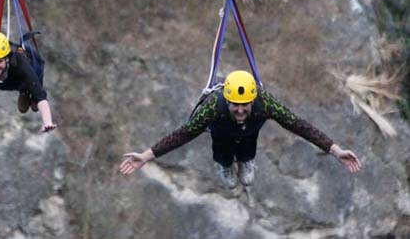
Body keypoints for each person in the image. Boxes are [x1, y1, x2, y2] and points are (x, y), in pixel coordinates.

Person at [119, 70, 362, 188]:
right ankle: (225, 165)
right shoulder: (214, 106)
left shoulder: (264, 103)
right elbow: (184, 133)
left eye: (245, 106)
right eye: (235, 105)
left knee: (247, 145)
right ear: (227, 100)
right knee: (222, 151)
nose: (240, 110)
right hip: (221, 134)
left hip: (249, 134)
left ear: (252, 100)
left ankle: (246, 161)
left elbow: (299, 125)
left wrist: (335, 150)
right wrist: (146, 156)